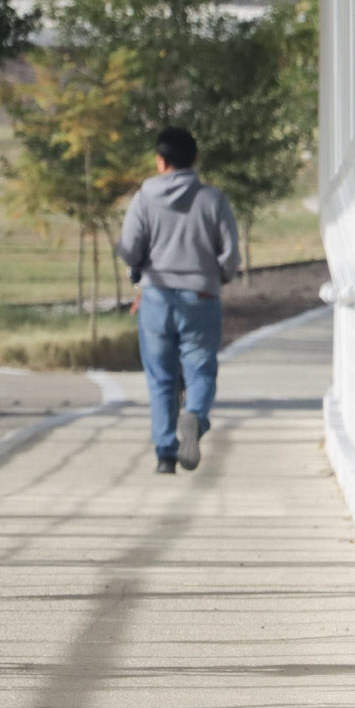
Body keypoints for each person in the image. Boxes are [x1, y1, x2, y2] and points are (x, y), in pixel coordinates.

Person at [115, 126, 242, 474]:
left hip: (156, 298)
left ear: (160, 161)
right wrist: (217, 278)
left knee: (161, 378)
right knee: (200, 371)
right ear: (194, 159)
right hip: (200, 296)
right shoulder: (213, 200)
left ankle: (165, 454)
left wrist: (138, 269)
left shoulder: (143, 199)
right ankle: (195, 418)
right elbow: (230, 256)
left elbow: (129, 249)